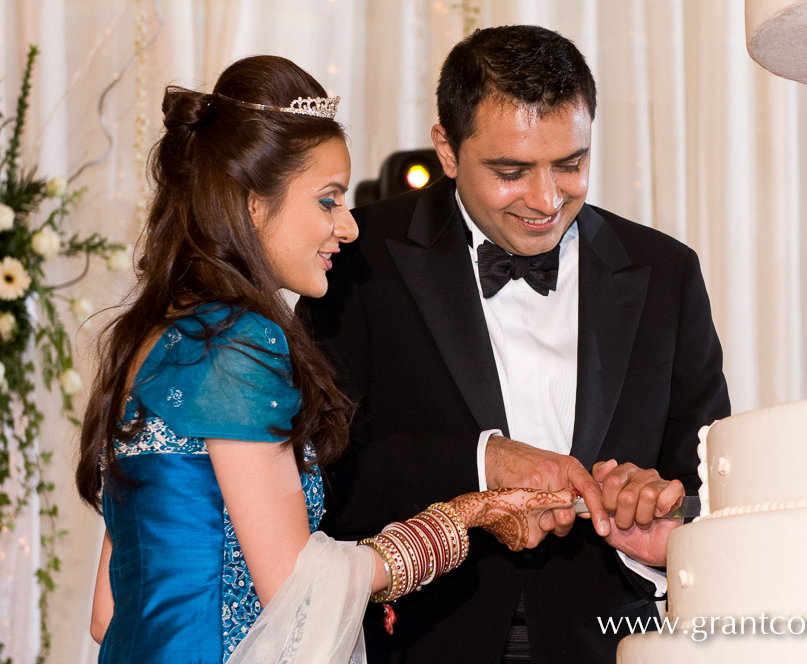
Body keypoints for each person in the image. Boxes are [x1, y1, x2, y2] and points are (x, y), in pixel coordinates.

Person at [74, 54, 575, 664]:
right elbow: (298, 591)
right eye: (328, 200)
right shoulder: (238, 342)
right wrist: (459, 519)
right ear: (253, 204)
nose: (349, 226)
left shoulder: (153, 336)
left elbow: (108, 613)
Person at [297, 25, 731, 664]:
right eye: (511, 171)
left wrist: (660, 520)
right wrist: (480, 463)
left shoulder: (667, 272)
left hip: (615, 642)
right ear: (447, 149)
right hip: (417, 639)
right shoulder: (355, 260)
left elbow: (709, 482)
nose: (546, 200)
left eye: (571, 164)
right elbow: (317, 478)